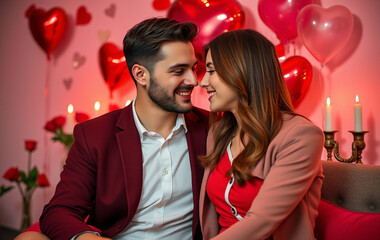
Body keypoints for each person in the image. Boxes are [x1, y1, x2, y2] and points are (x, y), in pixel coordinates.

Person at [15, 17, 209, 240]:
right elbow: (59, 211)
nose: (194, 80)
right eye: (178, 71)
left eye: (194, 68)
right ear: (140, 74)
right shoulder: (94, 135)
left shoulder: (213, 127)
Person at [198, 29, 324, 239]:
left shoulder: (301, 136)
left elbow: (261, 221)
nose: (202, 82)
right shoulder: (219, 133)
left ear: (241, 70)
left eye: (211, 71)